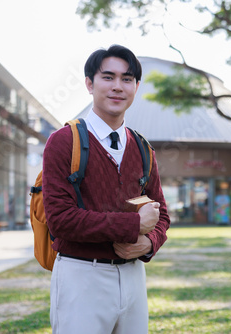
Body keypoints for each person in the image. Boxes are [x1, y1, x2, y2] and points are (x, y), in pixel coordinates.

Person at [42, 44, 170, 334]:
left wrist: (149, 242)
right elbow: (60, 220)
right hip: (82, 274)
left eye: (127, 79)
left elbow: (162, 215)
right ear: (89, 83)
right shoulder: (64, 141)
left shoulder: (142, 147)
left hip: (133, 275)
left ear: (136, 86)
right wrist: (133, 225)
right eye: (108, 77)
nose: (118, 87)